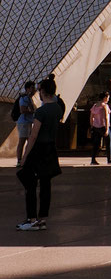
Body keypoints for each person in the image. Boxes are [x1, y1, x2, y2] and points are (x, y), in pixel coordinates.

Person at [16, 75, 63, 231]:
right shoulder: (57, 109)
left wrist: (24, 156)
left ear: (42, 91)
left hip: (39, 150)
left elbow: (33, 135)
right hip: (51, 149)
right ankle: (42, 219)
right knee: (45, 185)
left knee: (29, 183)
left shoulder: (41, 111)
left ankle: (31, 218)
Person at [13, 81, 36, 167]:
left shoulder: (28, 98)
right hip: (23, 123)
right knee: (22, 141)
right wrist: (33, 111)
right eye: (32, 88)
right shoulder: (24, 98)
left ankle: (25, 159)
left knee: (29, 142)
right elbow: (22, 110)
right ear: (27, 89)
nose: (34, 90)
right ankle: (19, 160)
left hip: (28, 122)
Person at [89, 92, 111, 165]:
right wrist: (107, 128)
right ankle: (109, 158)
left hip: (96, 127)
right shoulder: (105, 106)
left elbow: (91, 117)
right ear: (105, 98)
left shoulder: (95, 106)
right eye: (108, 98)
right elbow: (106, 117)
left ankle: (93, 159)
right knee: (108, 143)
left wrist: (92, 126)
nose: (108, 99)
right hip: (103, 126)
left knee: (96, 144)